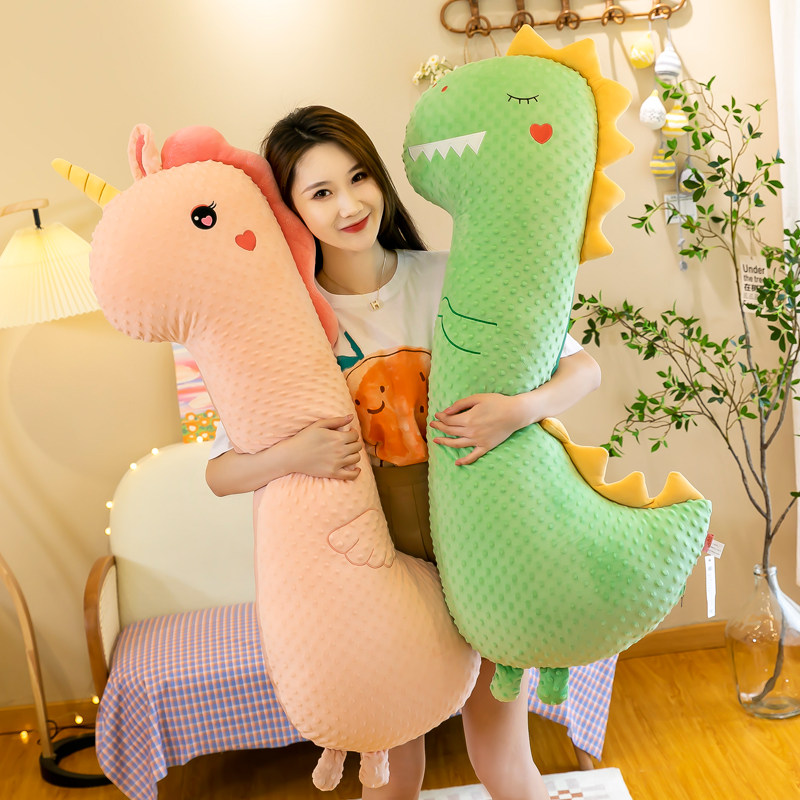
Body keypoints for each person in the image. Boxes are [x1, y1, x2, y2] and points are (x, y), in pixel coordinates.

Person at [206, 106, 601, 800]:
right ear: (293, 211)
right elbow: (220, 473)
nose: (349, 204)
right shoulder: (290, 321)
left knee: (504, 762)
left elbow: (583, 369)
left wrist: (515, 411)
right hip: (373, 575)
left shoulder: (450, 275)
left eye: (358, 177)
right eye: (320, 192)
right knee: (394, 778)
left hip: (482, 555)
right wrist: (295, 454)